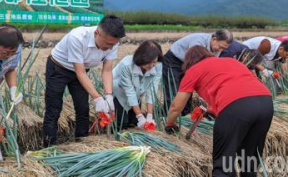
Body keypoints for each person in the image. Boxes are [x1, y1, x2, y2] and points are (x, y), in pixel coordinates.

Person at [165, 46, 273, 177]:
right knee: (248, 159)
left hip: (237, 105)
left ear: (189, 61)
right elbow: (241, 85)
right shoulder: (231, 61)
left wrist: (170, 125)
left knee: (224, 164)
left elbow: (176, 106)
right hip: (265, 102)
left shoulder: (193, 71)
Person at [43, 15, 125, 146]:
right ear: (97, 33)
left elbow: (107, 70)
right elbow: (79, 71)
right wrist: (98, 98)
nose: (110, 48)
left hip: (82, 71)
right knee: (54, 109)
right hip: (59, 68)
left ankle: (81, 144)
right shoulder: (77, 37)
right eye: (108, 44)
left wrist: (109, 95)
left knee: (83, 108)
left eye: (113, 44)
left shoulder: (113, 42)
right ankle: (48, 147)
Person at [163, 29, 233, 115]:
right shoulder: (198, 42)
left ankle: (185, 115)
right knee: (173, 89)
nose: (220, 50)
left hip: (190, 63)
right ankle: (168, 117)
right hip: (174, 60)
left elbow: (210, 66)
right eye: (220, 46)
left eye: (224, 49)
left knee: (188, 90)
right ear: (214, 39)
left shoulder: (216, 49)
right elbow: (194, 65)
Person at [113, 41, 163, 130]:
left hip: (137, 93)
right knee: (121, 124)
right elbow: (129, 91)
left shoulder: (158, 66)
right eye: (149, 62)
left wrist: (149, 115)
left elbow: (152, 89)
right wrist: (140, 116)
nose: (152, 65)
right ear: (141, 58)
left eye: (154, 62)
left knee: (134, 123)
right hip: (119, 91)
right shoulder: (126, 65)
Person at [0, 24, 24, 122]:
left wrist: (13, 88)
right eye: (3, 53)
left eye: (12, 52)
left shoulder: (16, 49)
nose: (8, 56)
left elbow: (10, 69)